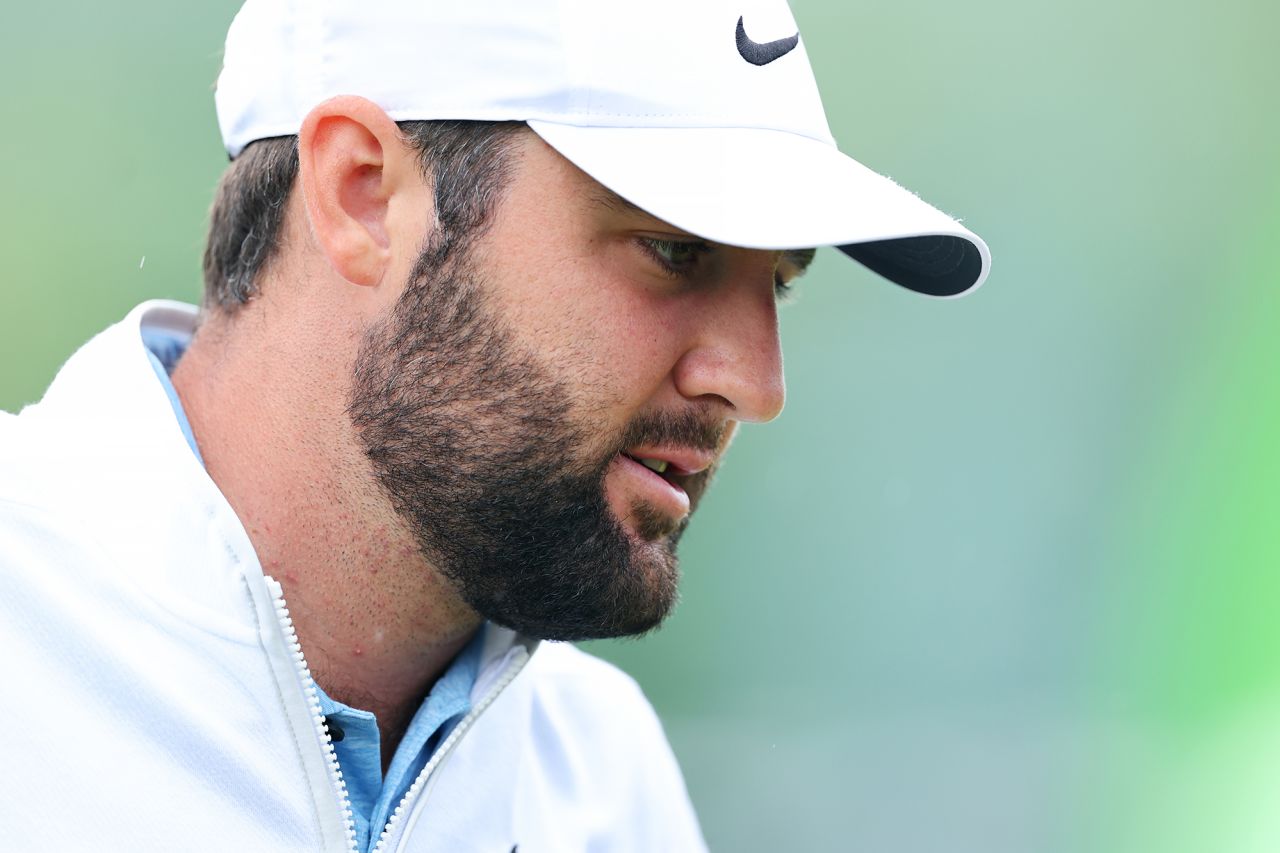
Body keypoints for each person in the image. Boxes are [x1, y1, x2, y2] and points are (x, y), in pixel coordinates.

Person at [0, 1, 989, 850]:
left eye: (777, 283)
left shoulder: (603, 783)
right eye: (672, 250)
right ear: (364, 195)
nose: (758, 384)